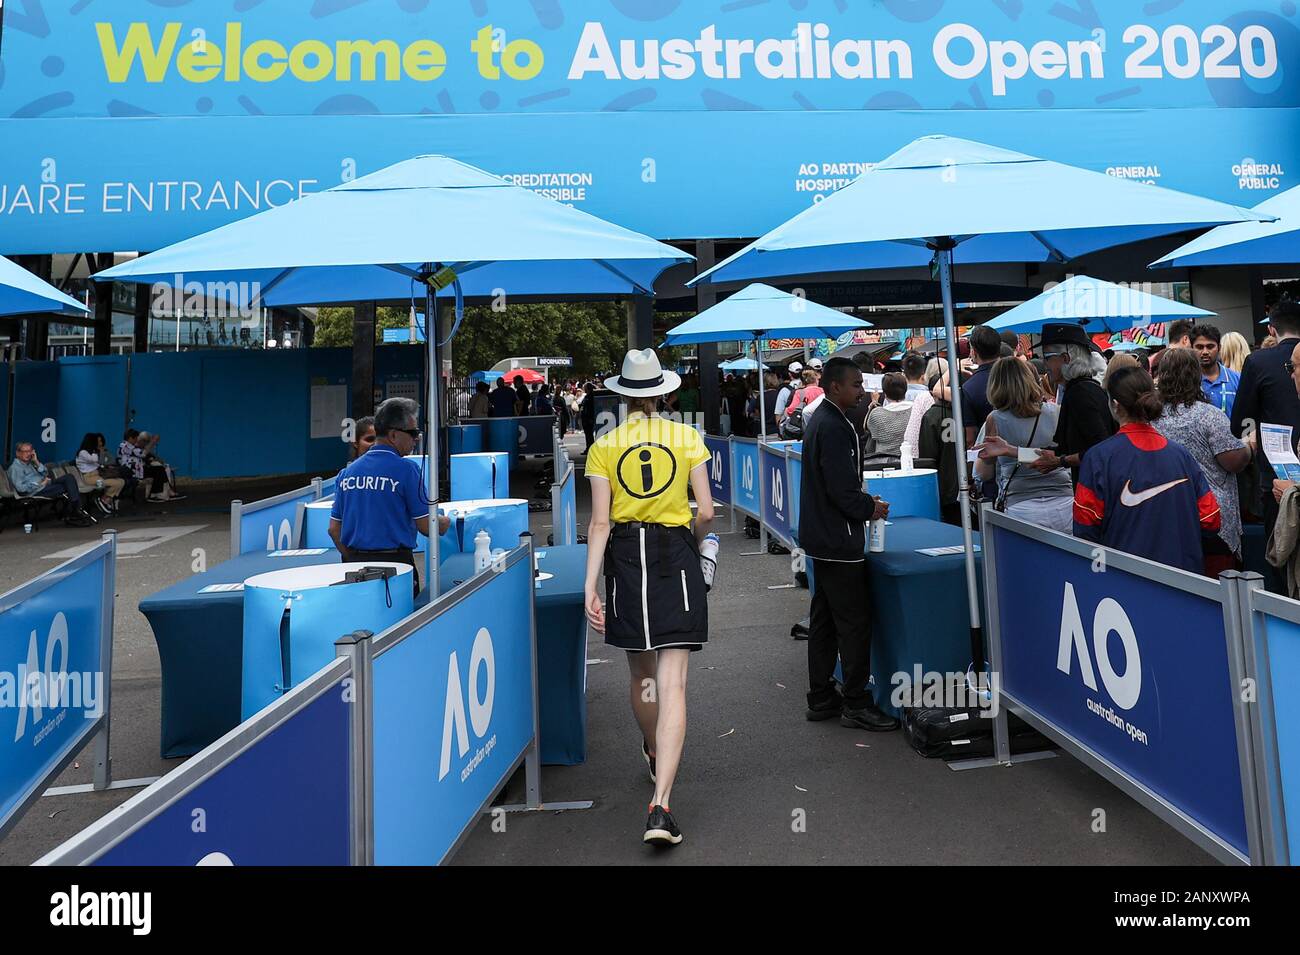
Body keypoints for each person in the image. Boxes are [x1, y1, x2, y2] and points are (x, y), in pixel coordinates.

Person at [583, 349, 714, 848]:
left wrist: (590, 584)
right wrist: (697, 542)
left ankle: (654, 749)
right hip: (674, 554)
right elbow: (705, 511)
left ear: (622, 394)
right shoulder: (686, 437)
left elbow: (599, 522)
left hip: (623, 558)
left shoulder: (605, 446)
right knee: (674, 681)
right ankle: (661, 806)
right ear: (663, 392)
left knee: (641, 674)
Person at [798, 357, 897, 732]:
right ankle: (855, 701)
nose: (862, 390)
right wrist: (869, 507)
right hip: (838, 538)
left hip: (823, 536)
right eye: (856, 384)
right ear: (834, 386)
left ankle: (821, 695)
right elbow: (841, 490)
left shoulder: (824, 421)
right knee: (854, 622)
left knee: (823, 620)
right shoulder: (835, 426)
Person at [1073, 367, 1221, 574]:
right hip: (1185, 582)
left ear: (1115, 405)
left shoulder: (1098, 458)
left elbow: (1085, 528)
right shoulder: (1182, 456)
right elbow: (1211, 520)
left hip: (1123, 582)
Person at [328, 397, 449, 597]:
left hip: (354, 567)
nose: (417, 438)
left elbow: (334, 529)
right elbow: (427, 526)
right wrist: (446, 522)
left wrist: (353, 559)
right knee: (404, 624)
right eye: (413, 433)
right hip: (396, 566)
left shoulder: (346, 473)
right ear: (393, 435)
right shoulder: (407, 470)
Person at [1154, 348, 1250, 575]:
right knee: (1220, 589)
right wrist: (1249, 447)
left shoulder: (1152, 418)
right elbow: (1233, 461)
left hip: (1169, 514)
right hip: (1211, 517)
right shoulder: (1209, 415)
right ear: (1195, 376)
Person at [1231, 300, 1300, 592]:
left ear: (1272, 329)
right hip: (1279, 480)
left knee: (1281, 560)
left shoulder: (1259, 362)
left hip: (1277, 479)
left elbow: (1241, 422)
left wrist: (1253, 435)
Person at [974, 358, 1074, 533]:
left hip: (1021, 505)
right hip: (1064, 502)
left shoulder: (995, 419)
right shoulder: (1057, 412)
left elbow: (984, 473)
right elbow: (1060, 457)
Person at [1032, 324, 1116, 482]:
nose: (1044, 364)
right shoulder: (1084, 388)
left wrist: (1060, 461)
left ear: (1065, 358)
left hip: (1094, 490)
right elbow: (1067, 449)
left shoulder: (1080, 393)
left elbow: (1101, 448)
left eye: (1047, 357)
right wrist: (1010, 451)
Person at [8, 441, 95, 526]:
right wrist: (40, 483)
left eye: (30, 451)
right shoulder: (16, 468)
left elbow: (46, 473)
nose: (28, 454)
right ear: (18, 453)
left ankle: (74, 512)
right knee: (68, 487)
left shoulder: (31, 464)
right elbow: (21, 489)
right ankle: (75, 512)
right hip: (36, 490)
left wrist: (36, 461)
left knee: (69, 477)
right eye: (25, 451)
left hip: (46, 484)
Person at [961, 325, 1002, 445]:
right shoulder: (1018, 376)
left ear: (974, 352)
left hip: (987, 454)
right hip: (1024, 450)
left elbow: (970, 438)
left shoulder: (969, 388)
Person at [864, 372, 913, 466]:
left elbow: (867, 428)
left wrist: (874, 402)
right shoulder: (915, 410)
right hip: (910, 460)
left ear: (885, 393)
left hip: (884, 462)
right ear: (905, 390)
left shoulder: (877, 413)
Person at [1192, 324, 1240, 418]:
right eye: (1199, 347)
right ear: (1191, 348)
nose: (1205, 352)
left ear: (1219, 348)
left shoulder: (1237, 379)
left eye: (1210, 346)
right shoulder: (1187, 381)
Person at [76, 432, 125, 515]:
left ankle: (105, 499)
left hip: (98, 475)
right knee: (110, 483)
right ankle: (102, 500)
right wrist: (101, 452)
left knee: (121, 481)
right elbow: (97, 460)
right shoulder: (83, 453)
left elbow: (108, 461)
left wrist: (103, 454)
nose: (99, 444)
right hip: (89, 478)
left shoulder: (95, 451)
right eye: (96, 441)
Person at [579, 381, 598, 450]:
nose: (584, 389)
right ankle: (588, 448)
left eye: (585, 388)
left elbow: (590, 408)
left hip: (588, 418)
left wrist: (590, 418)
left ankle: (590, 448)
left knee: (589, 435)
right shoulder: (587, 396)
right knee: (588, 435)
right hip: (586, 418)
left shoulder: (590, 397)